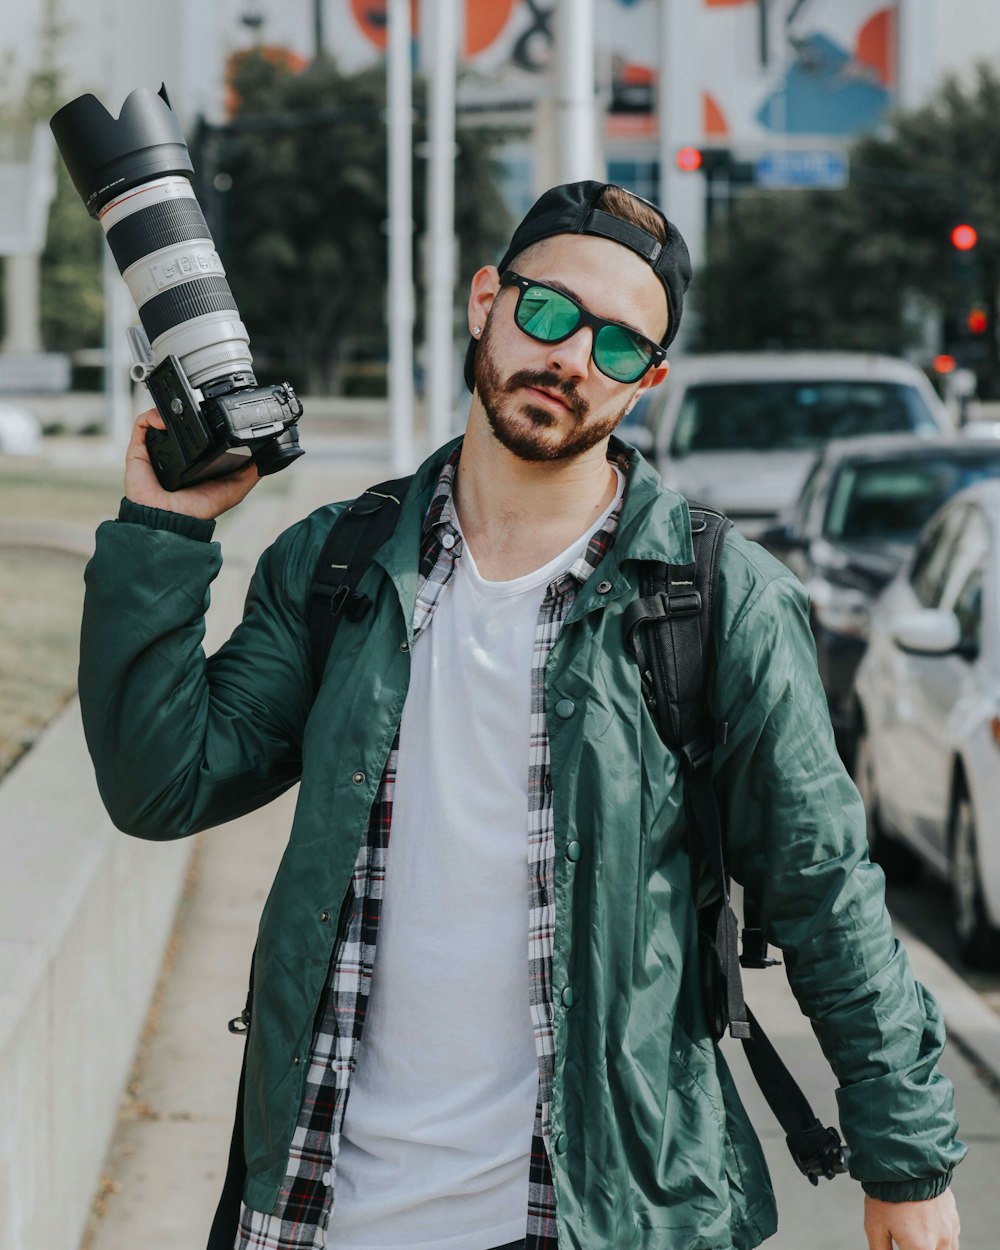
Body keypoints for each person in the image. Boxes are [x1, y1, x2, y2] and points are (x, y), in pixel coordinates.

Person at [79, 181, 965, 1250]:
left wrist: (904, 1159)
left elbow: (824, 887)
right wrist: (163, 536)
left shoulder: (713, 594)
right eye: (549, 313)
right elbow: (160, 782)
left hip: (601, 1211)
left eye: (620, 347)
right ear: (486, 299)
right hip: (324, 1199)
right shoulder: (336, 563)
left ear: (648, 382)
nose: (574, 359)